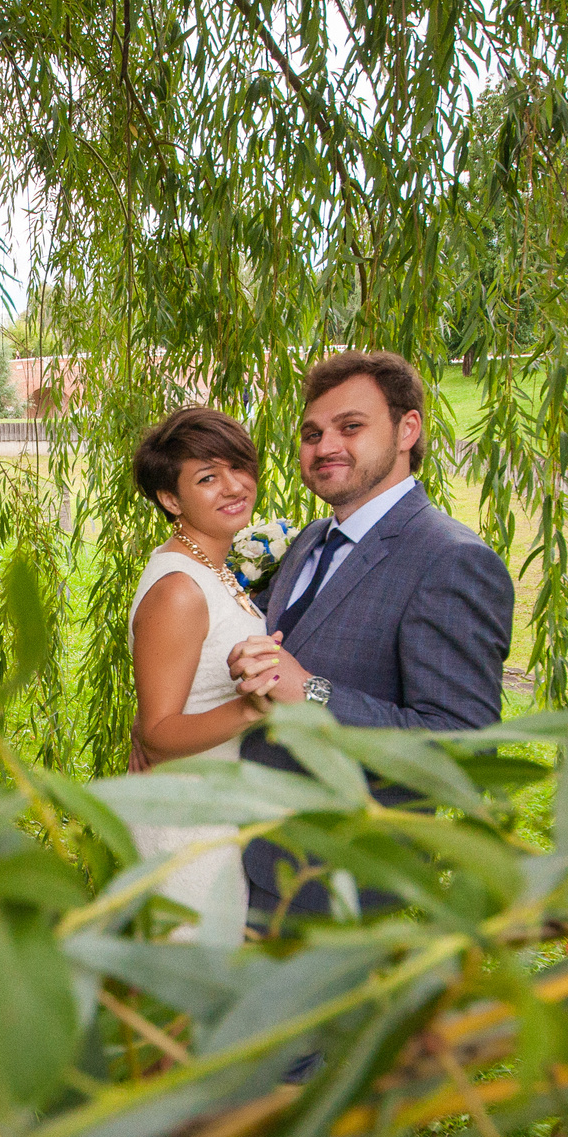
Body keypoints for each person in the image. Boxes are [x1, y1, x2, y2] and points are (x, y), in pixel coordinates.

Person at [227, 350, 514, 923]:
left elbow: (462, 748)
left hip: (336, 887)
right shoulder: (311, 538)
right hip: (243, 854)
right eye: (312, 432)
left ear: (408, 429)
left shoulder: (450, 561)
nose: (325, 446)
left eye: (350, 427)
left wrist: (312, 692)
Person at [124, 407, 274, 941]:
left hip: (217, 814)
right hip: (188, 829)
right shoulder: (181, 589)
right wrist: (256, 705)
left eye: (239, 466)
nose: (234, 486)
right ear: (171, 499)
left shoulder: (214, 569)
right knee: (186, 998)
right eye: (207, 478)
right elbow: (160, 734)